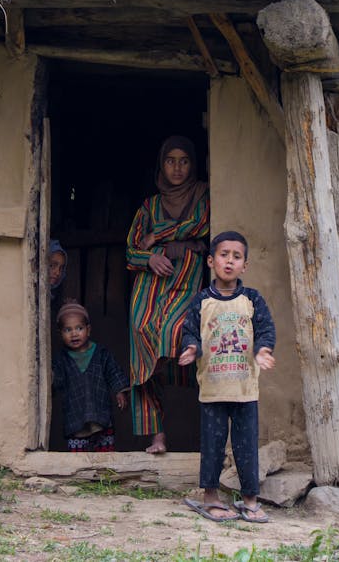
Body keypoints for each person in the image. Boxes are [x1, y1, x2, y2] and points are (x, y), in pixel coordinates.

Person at [179, 230, 276, 523]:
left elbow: (266, 329)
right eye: (224, 255)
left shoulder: (252, 299)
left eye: (237, 257)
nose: (229, 262)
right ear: (211, 261)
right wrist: (192, 348)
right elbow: (191, 332)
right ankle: (210, 497)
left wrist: (263, 349)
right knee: (213, 445)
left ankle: (250, 500)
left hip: (245, 390)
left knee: (246, 447)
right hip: (213, 389)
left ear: (244, 265)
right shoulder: (201, 302)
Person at [126, 135, 210, 454]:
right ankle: (157, 437)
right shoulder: (149, 205)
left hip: (186, 280)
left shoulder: (203, 195)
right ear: (161, 165)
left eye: (184, 161)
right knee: (143, 343)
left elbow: (198, 226)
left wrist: (156, 236)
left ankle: (210, 436)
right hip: (150, 286)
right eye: (170, 161)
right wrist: (149, 257)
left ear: (193, 164)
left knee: (178, 334)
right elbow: (131, 251)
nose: (177, 168)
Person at [52, 301, 129, 452]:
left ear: (88, 330)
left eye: (79, 328)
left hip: (101, 415)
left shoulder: (101, 353)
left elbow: (113, 372)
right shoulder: (61, 359)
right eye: (68, 330)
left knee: (104, 460)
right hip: (75, 417)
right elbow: (57, 381)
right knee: (78, 460)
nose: (74, 334)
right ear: (60, 333)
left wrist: (120, 390)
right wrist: (51, 376)